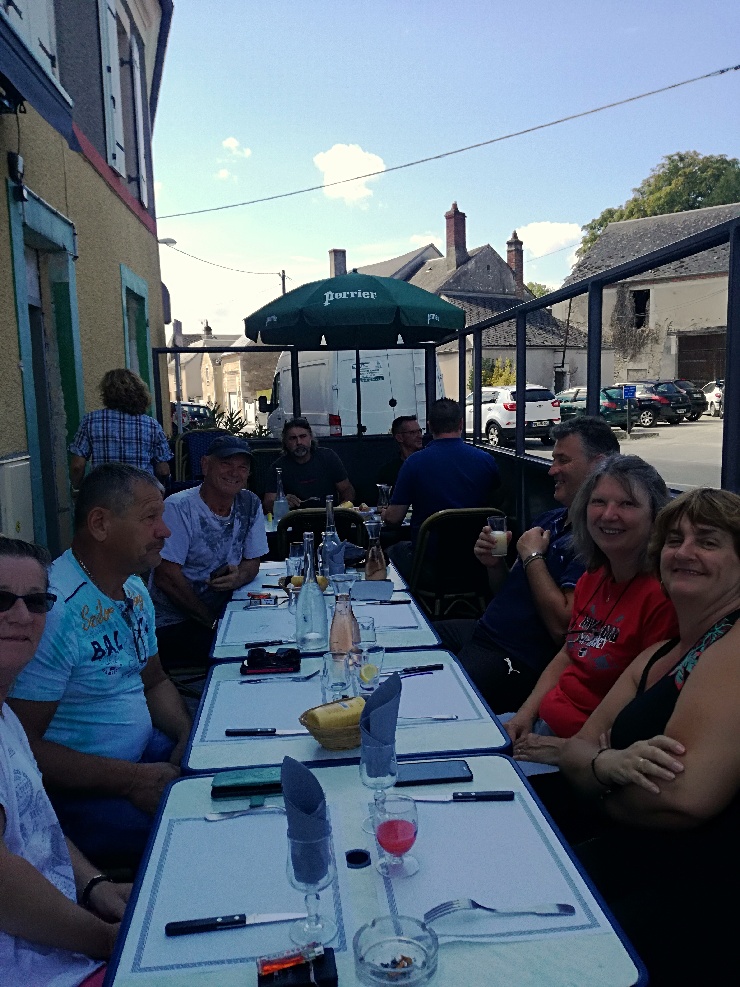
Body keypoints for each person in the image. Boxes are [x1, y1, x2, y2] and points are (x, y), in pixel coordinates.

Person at [534, 488, 740, 982]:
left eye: (707, 541)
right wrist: (605, 765)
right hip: (633, 853)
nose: (684, 551)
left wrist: (595, 780)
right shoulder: (658, 655)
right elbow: (579, 748)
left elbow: (684, 799)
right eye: (674, 539)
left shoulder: (734, 644)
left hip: (700, 898)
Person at [8, 464, 192, 866]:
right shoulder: (54, 609)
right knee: (194, 831)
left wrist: (184, 735)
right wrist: (132, 781)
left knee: (226, 779)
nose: (165, 531)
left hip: (144, 757)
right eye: (150, 517)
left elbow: (154, 680)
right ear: (100, 524)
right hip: (81, 793)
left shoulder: (133, 588)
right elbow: (22, 748)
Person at [0, 536, 129, 986]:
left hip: (65, 949)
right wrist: (109, 940)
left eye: (36, 602)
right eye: (1, 599)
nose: (21, 616)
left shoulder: (7, 718)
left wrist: (94, 886)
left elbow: (37, 825)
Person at [504, 455, 678, 768]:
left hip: (585, 759)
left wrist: (567, 751)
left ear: (655, 517)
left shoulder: (662, 598)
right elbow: (569, 654)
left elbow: (645, 713)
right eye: (598, 502)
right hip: (544, 730)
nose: (609, 515)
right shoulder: (593, 577)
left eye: (627, 504)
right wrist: (524, 715)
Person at [436, 416, 620, 713]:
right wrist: (494, 565)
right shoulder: (549, 520)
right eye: (553, 459)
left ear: (599, 465)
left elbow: (562, 627)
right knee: (407, 646)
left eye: (563, 460)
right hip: (484, 631)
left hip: (515, 657)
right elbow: (505, 590)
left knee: (439, 700)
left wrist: (532, 556)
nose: (551, 470)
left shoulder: (594, 538)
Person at [151, 435, 269, 670]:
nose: (234, 472)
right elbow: (166, 578)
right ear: (205, 465)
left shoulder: (250, 503)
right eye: (226, 463)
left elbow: (252, 561)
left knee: (274, 631)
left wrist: (238, 577)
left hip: (225, 610)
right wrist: (214, 623)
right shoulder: (178, 508)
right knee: (249, 653)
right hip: (173, 623)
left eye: (242, 467)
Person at [382, 398, 501, 579]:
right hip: (478, 562)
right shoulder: (487, 461)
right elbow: (497, 507)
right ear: (461, 424)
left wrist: (384, 513)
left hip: (430, 565)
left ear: (430, 426)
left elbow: (394, 519)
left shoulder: (414, 463)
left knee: (390, 551)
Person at [69, 368, 172, 491]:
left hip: (103, 493)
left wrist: (76, 490)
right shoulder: (152, 425)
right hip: (141, 492)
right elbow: (163, 470)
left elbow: (77, 466)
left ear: (106, 392)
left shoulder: (90, 421)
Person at [263, 417, 355, 513]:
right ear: (285, 442)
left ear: (310, 437)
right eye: (293, 438)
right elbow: (268, 503)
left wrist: (341, 509)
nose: (299, 442)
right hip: (294, 519)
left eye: (303, 436)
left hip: (329, 516)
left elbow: (347, 489)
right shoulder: (278, 467)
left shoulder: (328, 457)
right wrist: (281, 502)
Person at [376, 415, 424, 488]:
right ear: (399, 437)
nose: (420, 436)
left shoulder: (429, 463)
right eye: (413, 432)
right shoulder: (389, 472)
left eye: (420, 431)